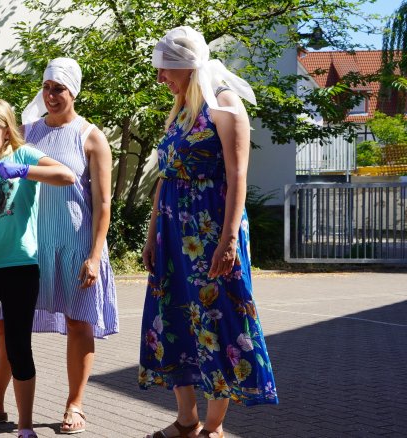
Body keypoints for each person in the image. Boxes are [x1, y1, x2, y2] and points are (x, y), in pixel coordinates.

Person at [139, 26, 279, 438]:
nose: (161, 78)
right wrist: (151, 235)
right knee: (173, 317)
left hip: (211, 229)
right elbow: (165, 177)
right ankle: (186, 419)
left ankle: (213, 426)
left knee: (219, 318)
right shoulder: (182, 108)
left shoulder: (224, 104)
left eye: (165, 70)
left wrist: (229, 239)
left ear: (185, 65)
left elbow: (237, 176)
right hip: (171, 232)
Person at [20, 57, 118, 435]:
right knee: (10, 324)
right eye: (46, 87)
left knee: (79, 324)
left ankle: (75, 404)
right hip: (31, 246)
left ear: (73, 92)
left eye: (59, 89)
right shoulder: (27, 132)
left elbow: (104, 203)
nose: (51, 95)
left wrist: (94, 256)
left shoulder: (90, 136)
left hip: (76, 246)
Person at [0, 99, 76, 438]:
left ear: (6, 131)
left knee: (17, 346)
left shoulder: (24, 155)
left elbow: (66, 175)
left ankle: (26, 426)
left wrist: (23, 171)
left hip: (18, 265)